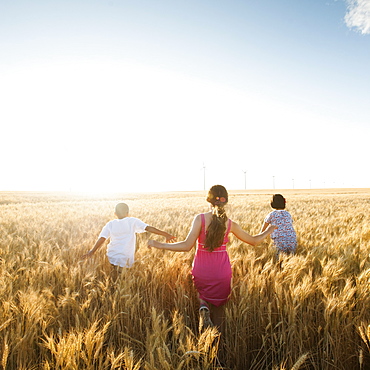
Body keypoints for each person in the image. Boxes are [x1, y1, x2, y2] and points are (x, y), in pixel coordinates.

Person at [147, 185, 275, 334]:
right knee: (220, 310)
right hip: (222, 271)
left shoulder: (200, 219)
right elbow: (253, 241)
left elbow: (186, 245)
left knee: (201, 293)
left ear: (209, 200)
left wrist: (158, 244)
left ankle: (203, 306)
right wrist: (269, 230)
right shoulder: (230, 224)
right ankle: (217, 340)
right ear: (225, 202)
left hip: (202, 268)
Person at [81, 202, 175, 268]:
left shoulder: (110, 224)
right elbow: (148, 228)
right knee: (124, 279)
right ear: (127, 213)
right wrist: (165, 234)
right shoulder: (132, 221)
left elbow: (102, 238)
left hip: (112, 255)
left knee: (115, 278)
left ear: (115, 214)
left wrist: (92, 251)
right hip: (126, 257)